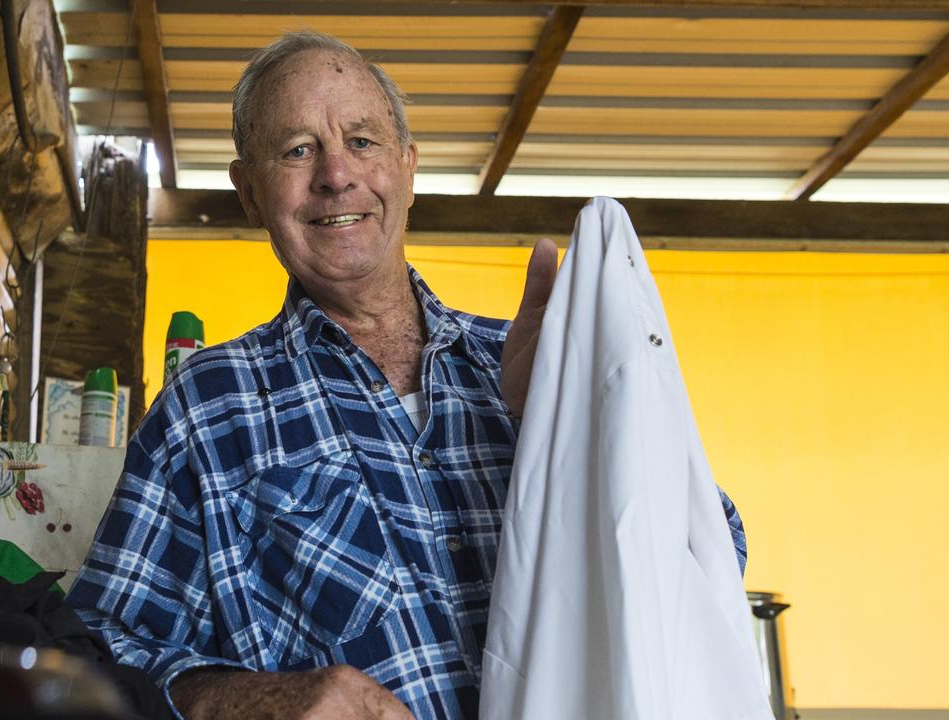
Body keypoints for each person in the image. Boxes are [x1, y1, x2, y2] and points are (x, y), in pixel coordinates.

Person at [65, 30, 747, 720]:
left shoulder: (526, 359)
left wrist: (571, 422)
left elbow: (714, 550)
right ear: (248, 191)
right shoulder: (209, 406)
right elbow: (92, 654)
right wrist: (247, 699)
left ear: (407, 167)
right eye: (298, 149)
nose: (336, 174)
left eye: (362, 141)